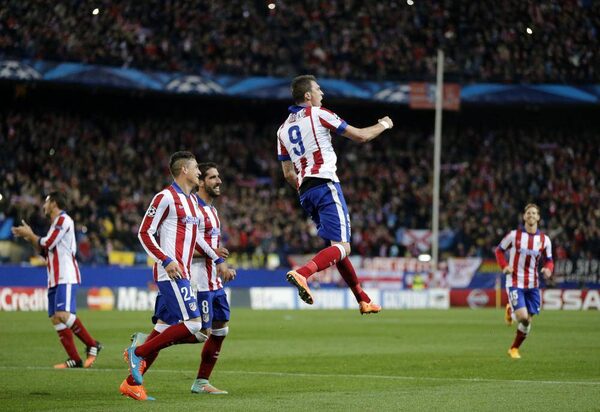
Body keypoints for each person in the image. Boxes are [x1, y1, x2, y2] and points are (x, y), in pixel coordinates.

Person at [119, 151, 234, 401]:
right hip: (169, 271)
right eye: (196, 169)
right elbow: (144, 233)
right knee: (195, 325)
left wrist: (217, 259)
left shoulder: (191, 202)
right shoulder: (165, 197)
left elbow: (197, 239)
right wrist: (165, 259)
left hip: (183, 273)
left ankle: (132, 383)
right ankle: (138, 351)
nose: (199, 173)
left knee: (168, 328)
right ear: (184, 170)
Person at [277, 74, 393, 314]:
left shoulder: (282, 130)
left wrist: (305, 186)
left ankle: (362, 299)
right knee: (344, 247)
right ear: (308, 95)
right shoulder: (319, 114)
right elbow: (361, 136)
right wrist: (384, 125)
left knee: (336, 248)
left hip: (305, 191)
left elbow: (288, 174)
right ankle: (303, 273)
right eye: (318, 89)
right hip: (325, 183)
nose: (322, 93)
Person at [12, 192, 102, 368]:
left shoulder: (64, 220)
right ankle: (75, 359)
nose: (43, 206)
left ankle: (92, 345)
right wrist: (30, 237)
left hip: (65, 275)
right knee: (55, 317)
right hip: (53, 277)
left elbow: (47, 243)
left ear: (53, 203)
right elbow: (44, 251)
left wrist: (31, 234)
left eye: (46, 202)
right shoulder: (55, 224)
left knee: (63, 314)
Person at [189, 162, 235, 395]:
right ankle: (147, 345)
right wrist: (215, 256)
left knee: (220, 330)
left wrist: (220, 261)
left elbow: (211, 247)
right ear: (200, 182)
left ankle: (201, 382)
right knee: (200, 333)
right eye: (213, 177)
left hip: (215, 281)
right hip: (199, 282)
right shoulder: (192, 209)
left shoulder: (213, 211)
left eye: (219, 177)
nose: (219, 181)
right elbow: (183, 247)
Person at [495, 203, 554, 359]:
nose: (531, 215)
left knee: (527, 321)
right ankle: (512, 311)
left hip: (533, 284)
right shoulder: (514, 235)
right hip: (515, 281)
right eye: (528, 213)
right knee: (522, 317)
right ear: (524, 216)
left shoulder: (545, 240)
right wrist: (504, 266)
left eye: (534, 213)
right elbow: (499, 251)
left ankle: (514, 348)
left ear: (538, 217)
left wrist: (548, 269)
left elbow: (549, 260)